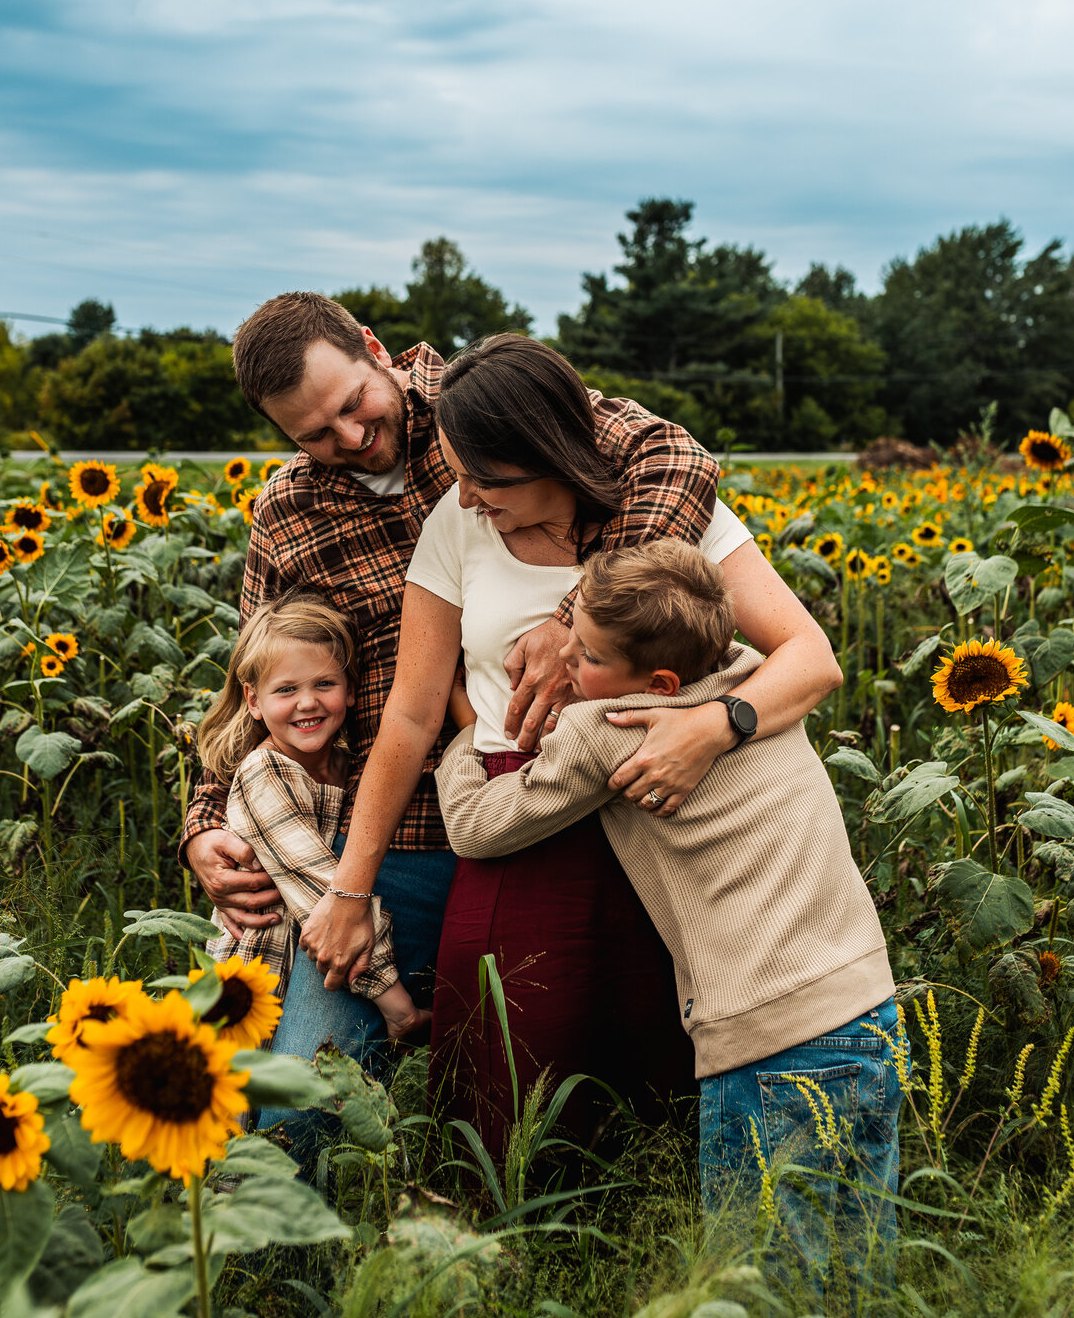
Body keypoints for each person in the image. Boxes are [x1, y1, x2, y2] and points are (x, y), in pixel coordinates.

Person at [182, 293, 725, 1127]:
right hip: (386, 839)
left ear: (374, 349)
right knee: (299, 1094)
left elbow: (675, 460)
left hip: (553, 792)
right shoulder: (288, 514)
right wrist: (206, 823)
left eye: (355, 406)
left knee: (605, 1067)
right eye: (315, 435)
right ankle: (293, 1256)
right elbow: (251, 686)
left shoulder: (486, 407)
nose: (352, 441)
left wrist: (571, 618)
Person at [316, 335, 845, 1153]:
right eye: (455, 472)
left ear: (549, 456)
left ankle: (651, 1240)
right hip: (517, 817)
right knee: (506, 1074)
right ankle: (513, 1249)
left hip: (665, 818)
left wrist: (709, 726)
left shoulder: (668, 525)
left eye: (485, 479)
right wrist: (350, 890)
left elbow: (810, 661)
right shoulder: (458, 532)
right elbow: (410, 718)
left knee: (661, 1072)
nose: (462, 496)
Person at [435, 537, 904, 1318]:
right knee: (855, 1281)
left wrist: (464, 732)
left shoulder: (606, 728)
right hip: (866, 1008)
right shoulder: (756, 679)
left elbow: (478, 829)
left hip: (765, 1039)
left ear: (656, 684)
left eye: (582, 653)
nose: (566, 664)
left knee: (760, 1305)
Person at [197, 591, 429, 1043]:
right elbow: (323, 892)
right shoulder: (264, 773)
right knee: (240, 1100)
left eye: (324, 684)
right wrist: (397, 1005)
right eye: (286, 690)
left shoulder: (349, 769)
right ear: (253, 700)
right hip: (253, 974)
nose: (308, 703)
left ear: (352, 689)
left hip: (302, 962)